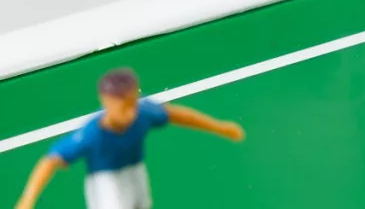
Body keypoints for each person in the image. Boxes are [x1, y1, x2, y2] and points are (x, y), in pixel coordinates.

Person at [16, 67, 244, 209]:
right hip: (106, 180)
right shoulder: (92, 134)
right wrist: (28, 199)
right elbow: (51, 161)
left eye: (132, 103)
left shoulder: (142, 113)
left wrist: (220, 127)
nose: (131, 112)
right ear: (106, 102)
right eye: (123, 107)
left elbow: (178, 115)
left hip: (135, 171)